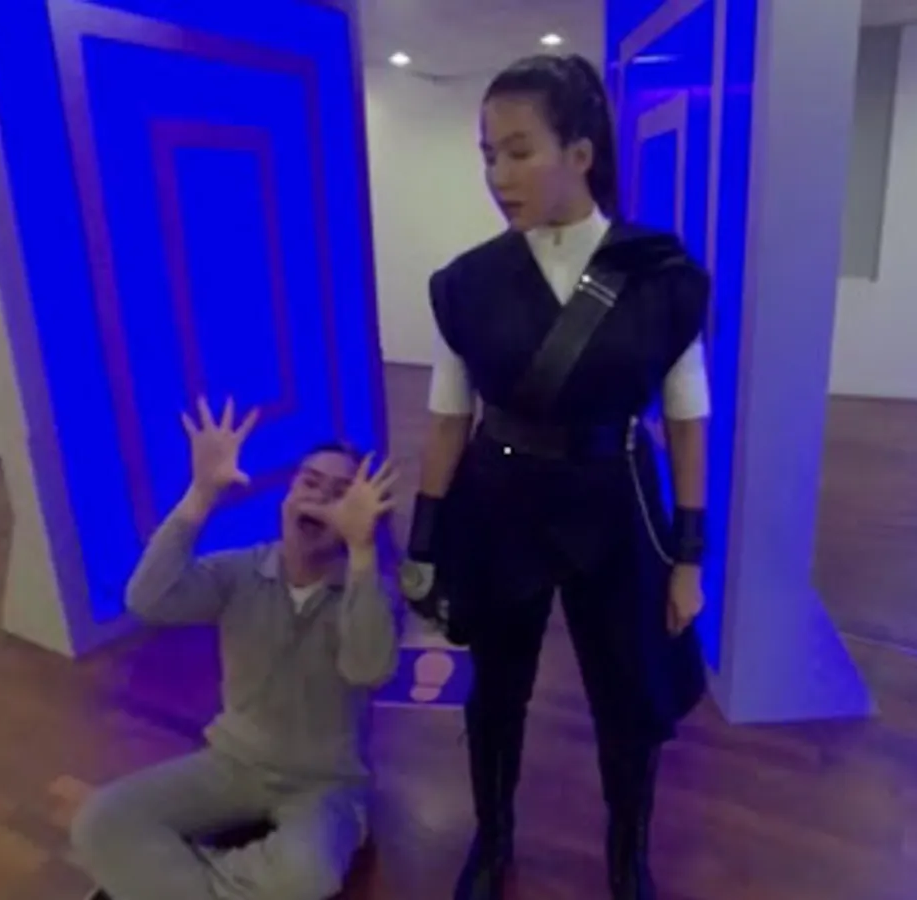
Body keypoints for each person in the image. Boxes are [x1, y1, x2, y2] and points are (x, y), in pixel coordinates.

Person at [398, 54, 712, 900]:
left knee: (629, 698)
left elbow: (687, 420)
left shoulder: (661, 279)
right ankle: (492, 839)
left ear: (580, 152)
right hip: (499, 505)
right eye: (487, 155)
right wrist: (423, 544)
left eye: (518, 151)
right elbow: (446, 420)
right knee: (495, 691)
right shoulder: (465, 286)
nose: (498, 175)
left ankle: (627, 858)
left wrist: (689, 556)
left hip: (618, 503)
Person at [72, 398, 401, 900]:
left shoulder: (369, 591)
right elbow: (146, 599)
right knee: (100, 820)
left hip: (325, 785)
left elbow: (367, 669)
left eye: (340, 494)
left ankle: (172, 877)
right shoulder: (239, 572)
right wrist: (201, 494)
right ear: (288, 497)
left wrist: (362, 552)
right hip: (232, 762)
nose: (319, 498)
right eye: (309, 483)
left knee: (307, 878)